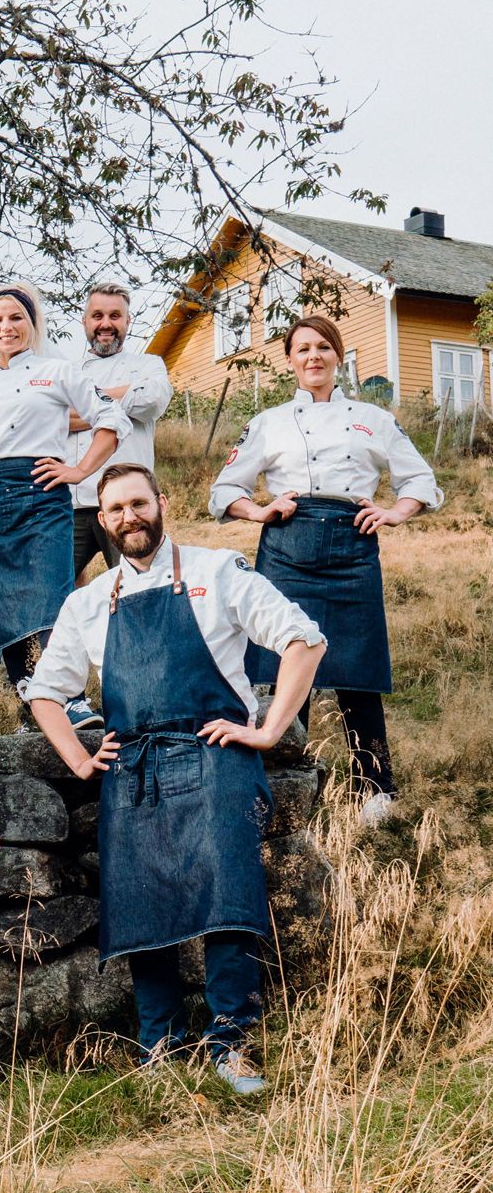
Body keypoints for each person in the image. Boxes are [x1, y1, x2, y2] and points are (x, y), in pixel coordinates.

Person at [23, 465, 325, 1096]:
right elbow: (45, 694)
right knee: (138, 900)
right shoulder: (86, 602)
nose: (129, 516)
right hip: (132, 768)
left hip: (214, 753)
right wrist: (80, 761)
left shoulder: (219, 572)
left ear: (162, 502)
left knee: (227, 895)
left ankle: (230, 1043)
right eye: (116, 510)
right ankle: (159, 1042)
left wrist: (267, 731)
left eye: (139, 502)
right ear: (102, 522)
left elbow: (304, 639)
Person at [210, 314, 442, 825]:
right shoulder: (267, 422)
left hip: (353, 545)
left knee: (357, 671)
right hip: (286, 547)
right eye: (302, 349)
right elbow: (225, 491)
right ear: (289, 360)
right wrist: (260, 510)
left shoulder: (372, 418)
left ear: (338, 355)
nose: (313, 356)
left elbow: (420, 480)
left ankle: (376, 792)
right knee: (283, 668)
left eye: (322, 347)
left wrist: (394, 512)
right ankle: (287, 783)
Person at [0, 283, 130, 727]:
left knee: (52, 598)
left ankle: (69, 699)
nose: (6, 327)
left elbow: (112, 417)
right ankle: (30, 703)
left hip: (42, 495)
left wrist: (79, 470)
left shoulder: (56, 371)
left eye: (16, 318)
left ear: (32, 324)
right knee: (0, 604)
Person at [67, 282, 174, 580]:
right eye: (97, 315)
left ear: (128, 321)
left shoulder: (148, 364)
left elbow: (152, 400)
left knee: (140, 585)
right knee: (57, 593)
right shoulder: (65, 371)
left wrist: (84, 405)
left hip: (129, 504)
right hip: (72, 506)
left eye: (115, 316)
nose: (106, 324)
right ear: (85, 321)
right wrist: (120, 403)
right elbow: (53, 418)